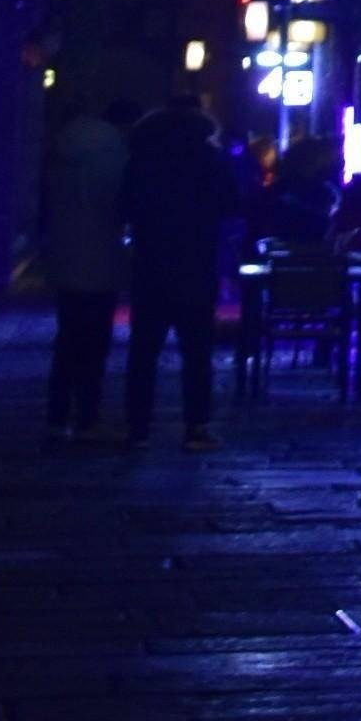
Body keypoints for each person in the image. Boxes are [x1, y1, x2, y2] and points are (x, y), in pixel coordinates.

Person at [121, 82, 234, 447]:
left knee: (143, 353)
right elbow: (232, 204)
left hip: (151, 262)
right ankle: (196, 425)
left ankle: (138, 427)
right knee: (197, 352)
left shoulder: (143, 157)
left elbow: (124, 204)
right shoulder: (211, 159)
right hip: (196, 262)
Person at [42, 97, 133, 440]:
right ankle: (87, 413)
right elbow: (119, 208)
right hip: (101, 259)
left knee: (67, 339)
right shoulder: (115, 159)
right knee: (95, 342)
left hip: (66, 257)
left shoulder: (66, 151)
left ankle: (57, 410)